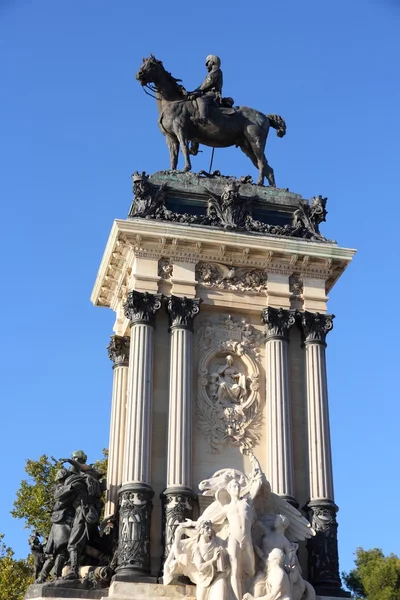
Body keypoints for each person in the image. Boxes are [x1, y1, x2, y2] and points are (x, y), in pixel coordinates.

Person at [190, 55, 223, 125]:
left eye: (207, 63)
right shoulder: (212, 72)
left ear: (212, 62)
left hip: (213, 94)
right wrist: (194, 91)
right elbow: (203, 84)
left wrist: (197, 91)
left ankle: (203, 118)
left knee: (201, 99)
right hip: (207, 93)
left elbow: (208, 82)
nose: (206, 65)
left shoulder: (216, 70)